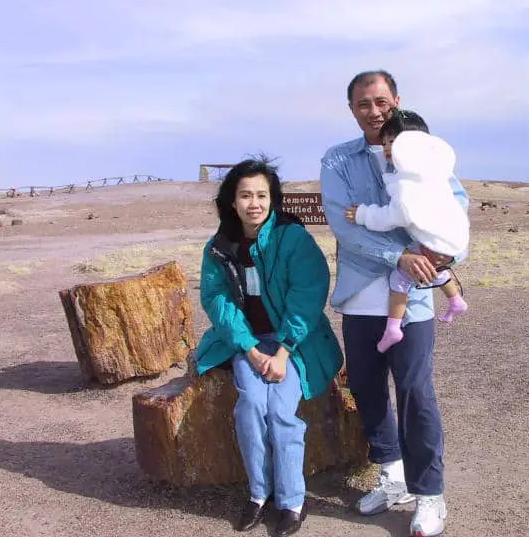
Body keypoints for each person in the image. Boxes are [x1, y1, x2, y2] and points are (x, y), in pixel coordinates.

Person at [320, 70, 469, 537]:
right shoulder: (338, 160)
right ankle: (393, 474)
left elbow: (455, 205)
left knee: (415, 393)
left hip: (416, 302)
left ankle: (430, 494)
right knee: (366, 388)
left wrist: (447, 254)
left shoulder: (420, 147)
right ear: (351, 109)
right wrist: (398, 254)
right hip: (361, 297)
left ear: (396, 99)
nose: (374, 111)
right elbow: (345, 227)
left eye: (381, 101)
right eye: (363, 103)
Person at [194, 157, 343, 537]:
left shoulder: (291, 238)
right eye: (245, 195)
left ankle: (292, 500)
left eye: (262, 195)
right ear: (232, 200)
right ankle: (259, 495)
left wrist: (283, 350)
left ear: (273, 199)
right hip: (249, 344)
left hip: (293, 342)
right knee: (251, 405)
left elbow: (307, 294)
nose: (254, 203)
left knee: (280, 411)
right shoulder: (220, 247)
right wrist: (250, 349)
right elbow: (217, 300)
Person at [343, 109, 469, 353]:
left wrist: (362, 214)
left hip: (436, 242)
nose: (389, 147)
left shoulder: (408, 184)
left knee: (400, 278)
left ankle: (393, 327)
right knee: (431, 268)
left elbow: (392, 216)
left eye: (396, 142)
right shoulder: (432, 173)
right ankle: (455, 300)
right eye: (387, 141)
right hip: (446, 238)